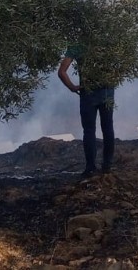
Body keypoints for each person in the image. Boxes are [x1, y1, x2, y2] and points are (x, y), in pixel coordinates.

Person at [58, 44, 114, 177]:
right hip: (107, 90)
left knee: (89, 130)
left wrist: (72, 87)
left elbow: (61, 72)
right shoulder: (108, 39)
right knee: (108, 128)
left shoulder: (77, 45)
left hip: (87, 92)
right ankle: (107, 166)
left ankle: (90, 168)